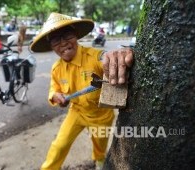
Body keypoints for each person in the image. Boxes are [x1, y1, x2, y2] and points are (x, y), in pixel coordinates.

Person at [30, 12, 133, 170]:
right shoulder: (56, 68)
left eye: (67, 35)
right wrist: (56, 96)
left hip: (100, 115)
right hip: (76, 113)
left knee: (99, 145)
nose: (63, 43)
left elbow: (105, 57)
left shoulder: (93, 56)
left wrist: (115, 56)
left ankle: (99, 162)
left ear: (76, 36)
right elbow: (54, 89)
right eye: (56, 40)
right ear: (51, 46)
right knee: (59, 145)